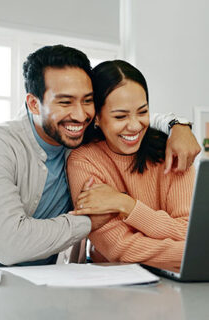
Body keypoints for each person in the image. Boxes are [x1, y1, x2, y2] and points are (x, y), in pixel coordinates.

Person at [0, 45, 199, 267]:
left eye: (87, 100)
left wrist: (179, 125)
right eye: (65, 101)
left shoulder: (78, 136)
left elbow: (127, 114)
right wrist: (87, 222)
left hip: (50, 275)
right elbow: (7, 245)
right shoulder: (1, 146)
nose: (81, 116)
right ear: (33, 104)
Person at [67, 60, 196, 272]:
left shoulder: (173, 152)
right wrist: (189, 254)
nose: (135, 125)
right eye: (120, 116)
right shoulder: (83, 161)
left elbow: (189, 231)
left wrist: (125, 204)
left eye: (143, 112)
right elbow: (119, 248)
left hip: (180, 282)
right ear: (97, 117)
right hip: (115, 287)